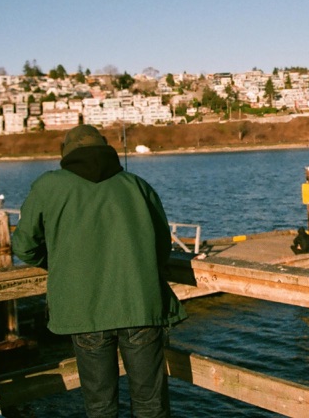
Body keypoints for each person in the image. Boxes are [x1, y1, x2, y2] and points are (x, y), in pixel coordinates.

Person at [12, 125, 186, 417]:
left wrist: (64, 264)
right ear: (107, 149)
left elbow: (24, 246)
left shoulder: (48, 185)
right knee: (151, 404)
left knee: (100, 406)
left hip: (84, 308)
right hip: (140, 304)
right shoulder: (137, 185)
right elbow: (161, 246)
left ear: (65, 151)